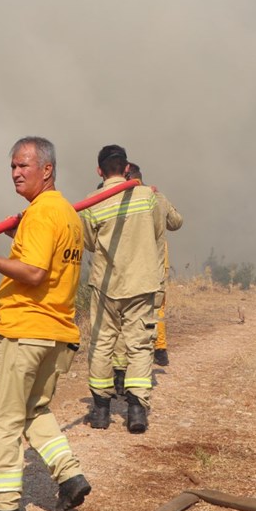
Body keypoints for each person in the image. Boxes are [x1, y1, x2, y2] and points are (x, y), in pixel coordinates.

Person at [0, 136, 91, 511]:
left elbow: (35, 274)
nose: (16, 174)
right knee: (33, 409)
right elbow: (47, 262)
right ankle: (70, 476)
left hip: (24, 331)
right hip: (57, 332)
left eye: (24, 166)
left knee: (3, 417)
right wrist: (19, 240)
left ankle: (4, 508)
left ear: (47, 170)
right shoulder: (68, 214)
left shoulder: (41, 214)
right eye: (12, 168)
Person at [82, 145, 164, 433]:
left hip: (106, 284)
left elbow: (90, 243)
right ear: (127, 167)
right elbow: (156, 231)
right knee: (139, 345)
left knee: (102, 343)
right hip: (141, 282)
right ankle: (136, 410)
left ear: (99, 171)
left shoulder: (91, 202)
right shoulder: (147, 196)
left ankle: (101, 412)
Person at [126, 162, 183, 367]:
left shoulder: (125, 200)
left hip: (132, 265)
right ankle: (159, 349)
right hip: (158, 263)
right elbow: (176, 222)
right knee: (157, 307)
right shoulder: (158, 197)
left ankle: (138, 354)